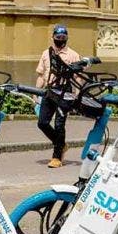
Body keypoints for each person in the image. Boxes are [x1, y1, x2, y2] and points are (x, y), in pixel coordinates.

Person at [35, 25, 81, 168]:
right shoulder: (46, 54)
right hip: (50, 91)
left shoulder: (73, 55)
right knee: (42, 123)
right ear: (53, 37)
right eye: (58, 38)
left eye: (63, 38)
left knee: (59, 124)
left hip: (65, 92)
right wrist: (36, 93)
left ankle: (56, 157)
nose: (61, 40)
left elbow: (78, 78)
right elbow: (41, 75)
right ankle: (61, 144)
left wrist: (76, 95)